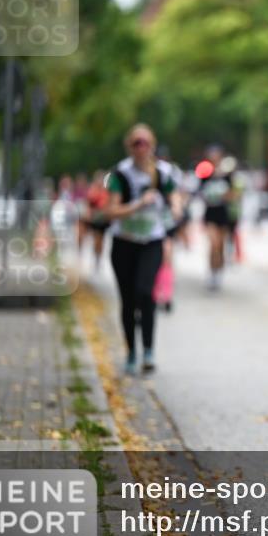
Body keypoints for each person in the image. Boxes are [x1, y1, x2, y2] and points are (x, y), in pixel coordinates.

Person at [104, 124, 182, 375]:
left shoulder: (162, 172)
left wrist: (177, 207)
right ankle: (131, 352)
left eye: (146, 142)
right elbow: (111, 211)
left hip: (152, 241)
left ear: (152, 145)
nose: (142, 147)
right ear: (130, 146)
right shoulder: (120, 174)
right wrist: (138, 205)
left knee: (145, 292)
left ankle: (148, 350)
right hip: (124, 242)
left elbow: (174, 195)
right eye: (137, 143)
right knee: (128, 300)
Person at [196, 145, 237, 290]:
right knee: (213, 244)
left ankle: (218, 271)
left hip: (223, 214)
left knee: (220, 246)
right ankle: (212, 273)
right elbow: (199, 192)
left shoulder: (227, 174)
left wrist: (226, 196)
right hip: (210, 214)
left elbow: (233, 194)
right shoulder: (205, 172)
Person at [83, 170, 111, 270]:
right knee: (97, 238)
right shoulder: (93, 190)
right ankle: (96, 257)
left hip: (103, 219)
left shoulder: (106, 191)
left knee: (101, 240)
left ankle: (98, 257)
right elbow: (89, 203)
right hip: (95, 218)